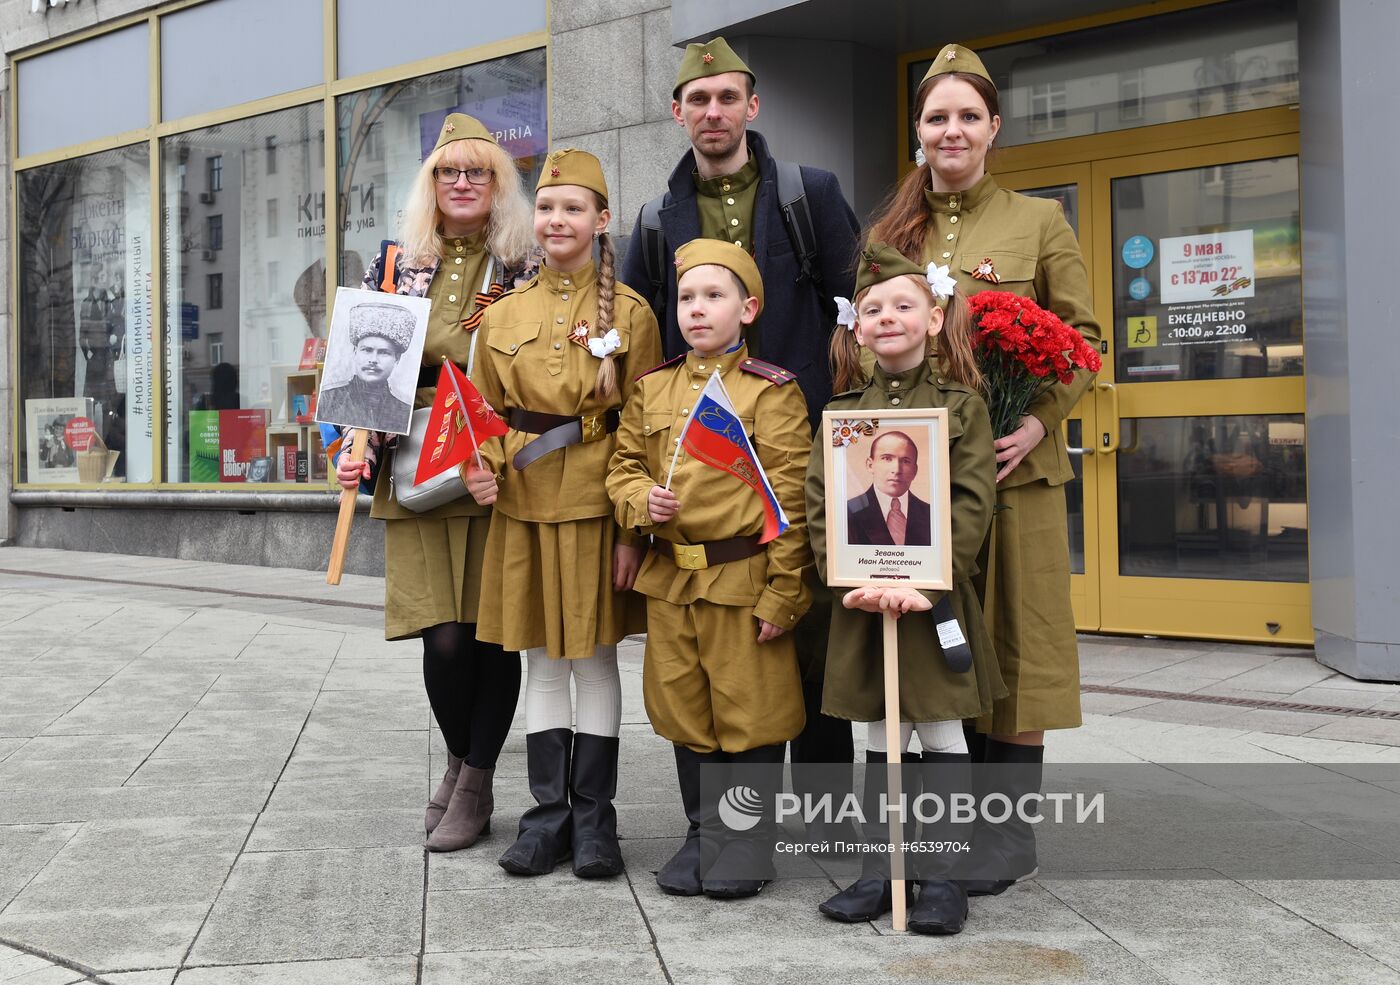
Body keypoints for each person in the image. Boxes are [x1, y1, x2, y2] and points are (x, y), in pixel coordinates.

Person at [865, 44, 1102, 895]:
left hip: (1016, 477)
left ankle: (1004, 840)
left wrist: (1039, 422)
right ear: (919, 133)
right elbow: (868, 342)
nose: (952, 130)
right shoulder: (891, 233)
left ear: (994, 127)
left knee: (1019, 646)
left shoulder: (1040, 221)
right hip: (921, 483)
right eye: (937, 117)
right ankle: (930, 836)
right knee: (932, 647)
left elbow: (1086, 342)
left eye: (968, 116)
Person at [619, 37, 862, 826]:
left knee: (813, 639)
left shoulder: (808, 192)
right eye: (699, 99)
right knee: (727, 652)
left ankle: (824, 825)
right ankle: (734, 824)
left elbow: (858, 308)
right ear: (678, 112)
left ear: (752, 106)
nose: (713, 111)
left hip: (804, 453)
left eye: (728, 97)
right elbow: (646, 339)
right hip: (702, 477)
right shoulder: (658, 218)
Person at [333, 113, 536, 854]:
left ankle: (474, 782)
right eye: (448, 172)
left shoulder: (524, 267)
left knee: (491, 634)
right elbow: (359, 372)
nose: (461, 184)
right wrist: (348, 449)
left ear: (497, 184)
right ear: (430, 184)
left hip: (493, 462)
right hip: (415, 458)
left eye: (477, 172)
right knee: (443, 637)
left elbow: (546, 365)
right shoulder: (394, 264)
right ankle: (461, 760)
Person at [463, 149, 662, 880]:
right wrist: (479, 468)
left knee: (595, 657)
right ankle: (545, 818)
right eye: (547, 208)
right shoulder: (503, 313)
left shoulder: (632, 313)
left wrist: (633, 531)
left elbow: (645, 425)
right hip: (521, 505)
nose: (557, 220)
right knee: (542, 658)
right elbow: (479, 414)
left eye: (573, 208)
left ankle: (594, 818)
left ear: (601, 220)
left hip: (594, 507)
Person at [806, 244, 1002, 934]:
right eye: (872, 307)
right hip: (865, 604)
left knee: (942, 730)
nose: (886, 316)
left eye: (901, 304)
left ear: (933, 316)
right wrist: (851, 582)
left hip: (935, 602)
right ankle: (879, 868)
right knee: (878, 734)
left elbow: (973, 502)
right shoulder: (844, 415)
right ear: (855, 325)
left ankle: (945, 876)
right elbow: (820, 505)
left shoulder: (962, 406)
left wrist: (929, 581)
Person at [607, 239, 810, 899]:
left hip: (741, 577)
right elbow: (624, 466)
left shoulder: (770, 393)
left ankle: (744, 841)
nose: (697, 310)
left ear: (748, 308)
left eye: (714, 296)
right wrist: (642, 500)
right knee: (684, 710)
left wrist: (784, 593)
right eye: (688, 297)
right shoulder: (653, 387)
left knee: (748, 711)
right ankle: (702, 833)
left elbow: (791, 500)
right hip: (673, 580)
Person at [317, 302, 415, 432]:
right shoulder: (329, 400)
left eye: (384, 352)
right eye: (367, 350)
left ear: (397, 358)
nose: (373, 360)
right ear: (355, 351)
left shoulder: (404, 412)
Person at [845, 431, 932, 547]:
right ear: (870, 465)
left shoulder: (931, 514)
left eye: (905, 461)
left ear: (914, 471)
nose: (896, 470)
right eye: (887, 458)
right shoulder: (847, 512)